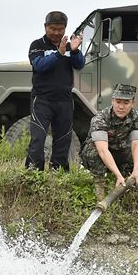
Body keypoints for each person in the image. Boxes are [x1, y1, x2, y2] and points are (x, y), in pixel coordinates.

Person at [25, 11, 85, 171]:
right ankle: (33, 175)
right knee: (38, 138)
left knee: (63, 140)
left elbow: (79, 64)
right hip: (42, 100)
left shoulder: (68, 46)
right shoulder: (37, 45)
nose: (56, 33)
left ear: (65, 28)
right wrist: (59, 53)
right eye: (52, 29)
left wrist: (74, 51)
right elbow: (40, 65)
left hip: (64, 100)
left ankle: (58, 174)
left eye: (60, 29)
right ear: (45, 27)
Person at [79, 83, 138, 199]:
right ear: (112, 101)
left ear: (133, 104)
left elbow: (136, 143)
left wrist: (136, 169)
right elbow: (102, 151)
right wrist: (117, 174)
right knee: (93, 152)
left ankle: (128, 178)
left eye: (126, 103)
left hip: (118, 150)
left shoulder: (135, 116)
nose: (121, 107)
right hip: (99, 153)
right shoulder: (100, 118)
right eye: (118, 102)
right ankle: (100, 185)